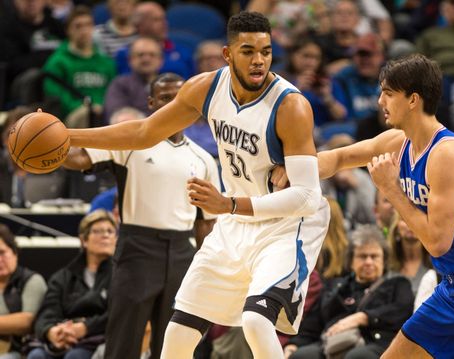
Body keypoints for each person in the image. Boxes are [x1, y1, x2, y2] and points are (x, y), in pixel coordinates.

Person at [64, 11, 330, 359]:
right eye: (248, 51)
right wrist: (65, 134)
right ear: (227, 54)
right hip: (234, 224)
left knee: (255, 322)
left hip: (284, 227)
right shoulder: (205, 88)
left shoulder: (291, 106)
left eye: (265, 52)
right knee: (177, 335)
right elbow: (144, 133)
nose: (258, 61)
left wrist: (228, 205)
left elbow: (309, 197)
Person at [316, 53, 454, 358]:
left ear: (413, 100)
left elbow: (437, 242)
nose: (380, 101)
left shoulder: (449, 153)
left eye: (388, 93)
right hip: (453, 287)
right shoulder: (397, 142)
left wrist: (391, 189)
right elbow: (338, 158)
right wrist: (290, 167)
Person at [63, 73, 220, 359]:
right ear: (151, 103)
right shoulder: (131, 141)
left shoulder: (204, 159)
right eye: (165, 99)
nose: (174, 105)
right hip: (138, 247)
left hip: (184, 251)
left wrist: (206, 267)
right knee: (124, 338)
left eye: (179, 99)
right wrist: (51, 149)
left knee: (176, 344)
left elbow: (206, 221)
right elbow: (82, 158)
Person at [284, 224, 414, 359]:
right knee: (300, 356)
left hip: (375, 342)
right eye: (362, 256)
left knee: (357, 356)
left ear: (384, 260)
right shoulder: (337, 287)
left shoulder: (397, 284)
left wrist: (364, 317)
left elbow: (402, 311)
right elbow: (313, 324)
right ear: (351, 261)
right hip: (333, 343)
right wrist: (294, 345)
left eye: (374, 256)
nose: (368, 262)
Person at [27, 210, 117, 359]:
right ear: (84, 240)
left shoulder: (121, 276)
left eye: (110, 231)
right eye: (98, 231)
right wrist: (51, 332)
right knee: (36, 356)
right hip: (64, 338)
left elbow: (118, 314)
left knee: (75, 357)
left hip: (100, 339)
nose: (105, 235)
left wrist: (85, 327)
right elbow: (46, 314)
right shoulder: (63, 276)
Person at [0, 224, 47, 359]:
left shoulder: (31, 280)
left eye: (2, 253)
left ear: (15, 252)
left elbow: (26, 322)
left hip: (20, 350)